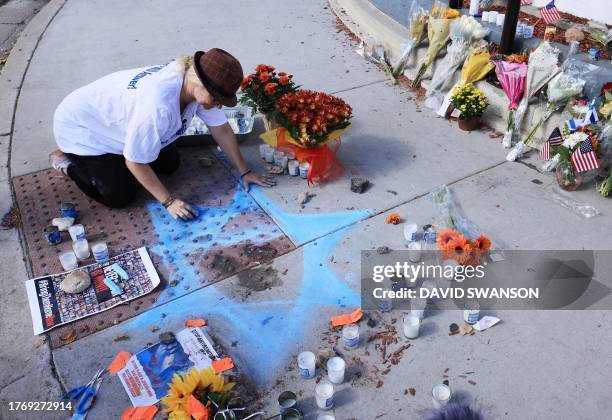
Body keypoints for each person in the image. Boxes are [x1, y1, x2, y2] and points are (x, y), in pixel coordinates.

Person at [49, 48, 275, 220]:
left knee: (169, 164)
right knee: (120, 195)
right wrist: (169, 201)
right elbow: (135, 162)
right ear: (199, 83)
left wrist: (244, 171)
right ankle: (66, 160)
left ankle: (125, 149)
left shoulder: (191, 84)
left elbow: (223, 130)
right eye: (217, 99)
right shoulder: (158, 106)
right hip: (83, 130)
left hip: (116, 121)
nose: (218, 106)